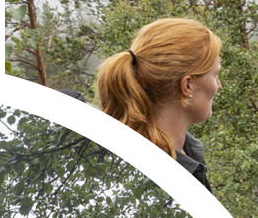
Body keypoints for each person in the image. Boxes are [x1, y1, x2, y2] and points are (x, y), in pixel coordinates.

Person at [94, 17, 223, 189]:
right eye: (215, 75)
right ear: (187, 85)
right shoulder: (160, 181)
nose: (219, 85)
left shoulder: (122, 154)